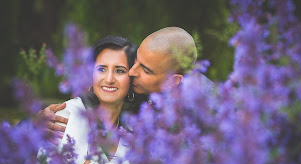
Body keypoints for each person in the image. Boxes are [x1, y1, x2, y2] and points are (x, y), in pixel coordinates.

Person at [39, 27, 213, 138]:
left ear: (172, 81)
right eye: (135, 61)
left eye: (145, 70)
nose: (132, 72)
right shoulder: (136, 85)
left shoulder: (206, 111)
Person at [42, 35, 137, 164]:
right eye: (102, 69)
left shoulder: (133, 132)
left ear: (131, 78)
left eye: (119, 71)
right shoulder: (66, 114)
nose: (109, 79)